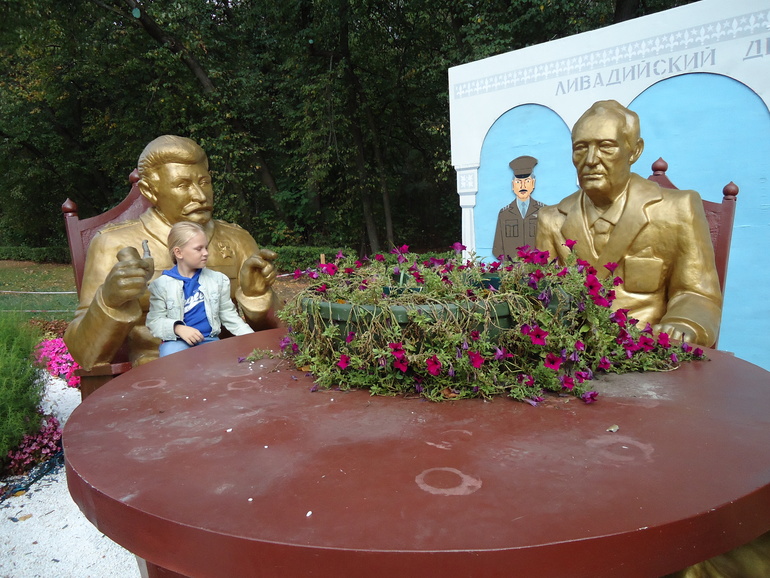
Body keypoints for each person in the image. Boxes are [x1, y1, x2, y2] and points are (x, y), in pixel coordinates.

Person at [64, 135, 277, 370]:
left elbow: (279, 334)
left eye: (204, 182)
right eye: (182, 185)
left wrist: (257, 297)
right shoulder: (112, 244)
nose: (200, 196)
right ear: (150, 191)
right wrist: (109, 301)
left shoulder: (237, 240)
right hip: (155, 370)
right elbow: (84, 354)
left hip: (230, 364)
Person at [535, 100, 721, 347]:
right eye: (580, 148)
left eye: (606, 146)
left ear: (634, 151)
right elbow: (540, 296)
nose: (590, 160)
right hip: (575, 353)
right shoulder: (551, 219)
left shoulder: (677, 209)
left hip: (645, 351)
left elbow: (697, 293)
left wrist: (682, 324)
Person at [146, 222, 253, 356]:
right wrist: (178, 328)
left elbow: (229, 315)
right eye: (199, 249)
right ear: (179, 252)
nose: (206, 253)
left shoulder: (218, 280)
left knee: (221, 363)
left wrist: (251, 338)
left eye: (206, 248)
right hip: (176, 342)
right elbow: (154, 322)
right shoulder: (161, 285)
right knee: (173, 361)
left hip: (209, 340)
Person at [492, 155, 545, 260]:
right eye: (518, 182)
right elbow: (497, 249)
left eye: (527, 181)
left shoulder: (543, 211)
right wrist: (510, 263)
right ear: (513, 185)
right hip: (513, 268)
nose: (522, 186)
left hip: (537, 268)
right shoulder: (505, 214)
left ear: (533, 183)